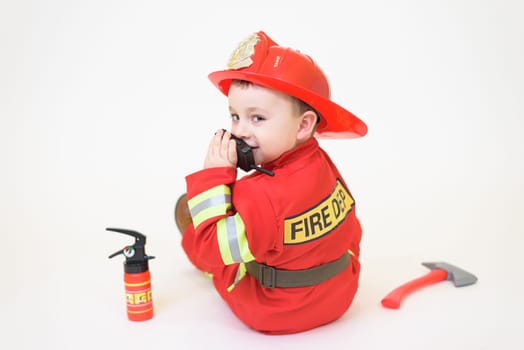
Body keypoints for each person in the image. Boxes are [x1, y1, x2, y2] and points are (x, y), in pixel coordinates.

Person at [174, 31, 367, 334]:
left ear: (304, 124)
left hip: (275, 312)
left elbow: (211, 249)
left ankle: (198, 233)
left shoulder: (258, 193)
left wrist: (213, 178)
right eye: (235, 115)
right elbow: (352, 227)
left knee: (213, 251)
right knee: (261, 233)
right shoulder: (323, 163)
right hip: (340, 295)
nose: (240, 132)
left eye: (258, 118)